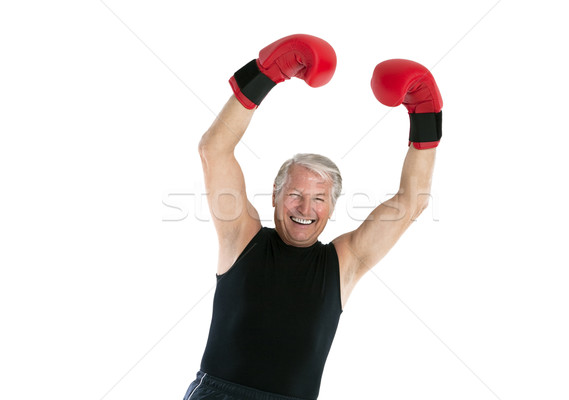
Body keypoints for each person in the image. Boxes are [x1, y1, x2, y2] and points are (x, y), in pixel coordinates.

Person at [183, 34, 442, 400]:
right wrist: (267, 72)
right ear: (275, 194)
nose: (306, 209)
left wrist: (426, 113)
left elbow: (412, 200)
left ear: (332, 207)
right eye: (295, 195)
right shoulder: (241, 237)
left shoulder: (344, 261)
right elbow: (214, 149)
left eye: (319, 198)